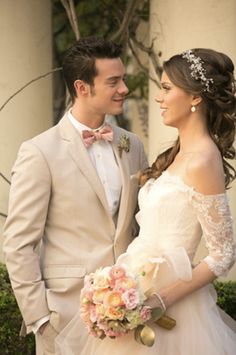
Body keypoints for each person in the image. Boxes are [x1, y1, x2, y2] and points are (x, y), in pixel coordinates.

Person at [55, 48, 236, 355]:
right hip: (135, 292)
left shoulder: (204, 159)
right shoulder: (178, 154)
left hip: (173, 308)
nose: (159, 98)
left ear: (195, 98)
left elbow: (223, 253)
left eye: (166, 88)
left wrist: (161, 299)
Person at [3, 36, 148, 355]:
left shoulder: (132, 146)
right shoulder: (40, 152)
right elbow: (18, 243)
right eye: (114, 81)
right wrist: (41, 319)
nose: (124, 88)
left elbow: (141, 224)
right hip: (67, 316)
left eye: (123, 78)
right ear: (82, 87)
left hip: (131, 313)